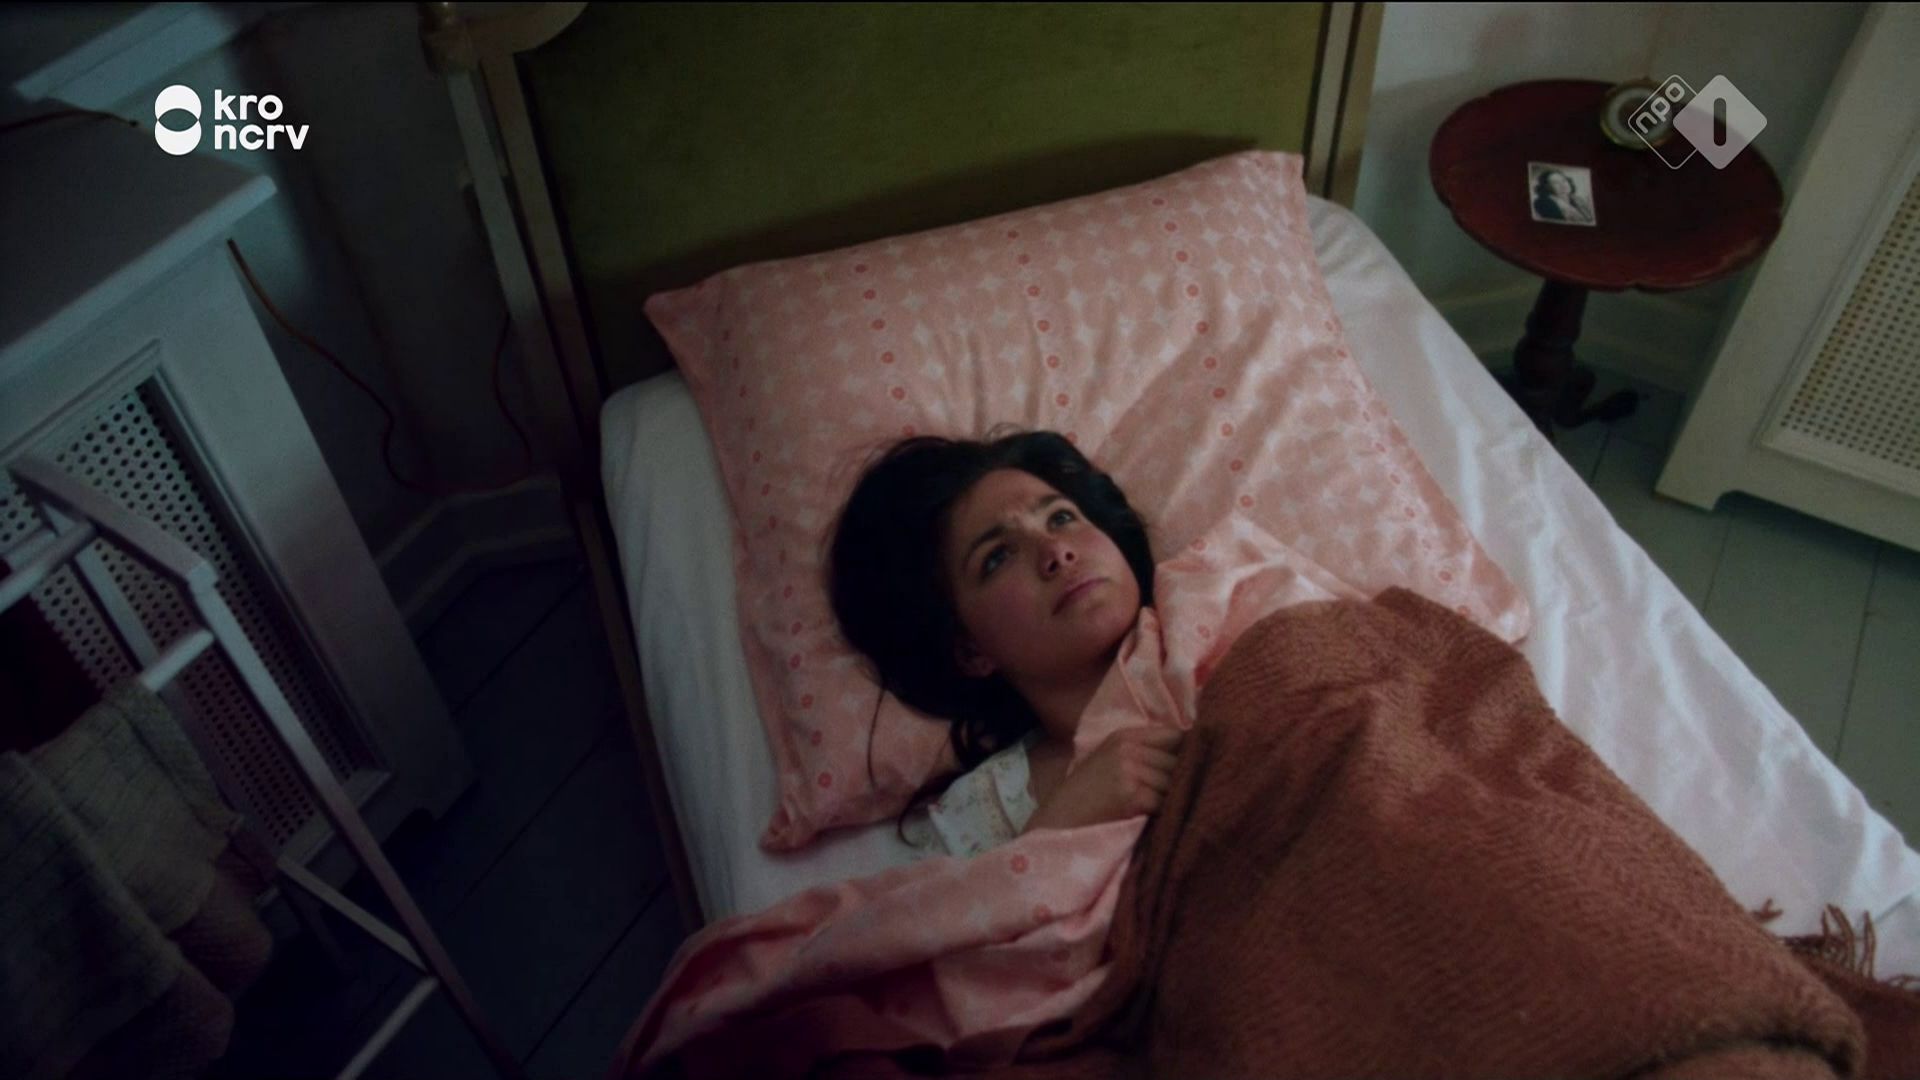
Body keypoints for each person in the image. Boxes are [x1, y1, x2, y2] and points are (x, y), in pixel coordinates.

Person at [827, 429, 1184, 858]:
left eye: (1061, 518)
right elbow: (974, 903)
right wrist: (1057, 828)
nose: (1056, 550)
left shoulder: (1222, 599)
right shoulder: (977, 819)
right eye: (997, 557)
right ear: (971, 651)